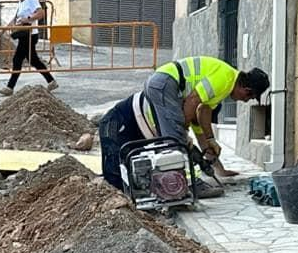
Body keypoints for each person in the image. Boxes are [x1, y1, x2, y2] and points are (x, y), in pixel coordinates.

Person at [98, 56, 270, 191]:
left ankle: (186, 180)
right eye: (249, 98)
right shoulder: (224, 78)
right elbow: (192, 100)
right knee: (174, 140)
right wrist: (183, 131)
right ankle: (187, 183)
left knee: (176, 137)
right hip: (166, 83)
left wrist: (210, 145)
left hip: (166, 83)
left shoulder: (225, 85)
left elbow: (201, 114)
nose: (245, 101)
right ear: (247, 90)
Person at [0, 0, 56, 95]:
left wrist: (29, 19)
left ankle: (10, 87)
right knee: (34, 60)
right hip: (24, 35)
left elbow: (41, 13)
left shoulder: (31, 0)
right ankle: (51, 81)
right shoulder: (21, 3)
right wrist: (3, 30)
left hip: (29, 35)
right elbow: (15, 19)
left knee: (17, 59)